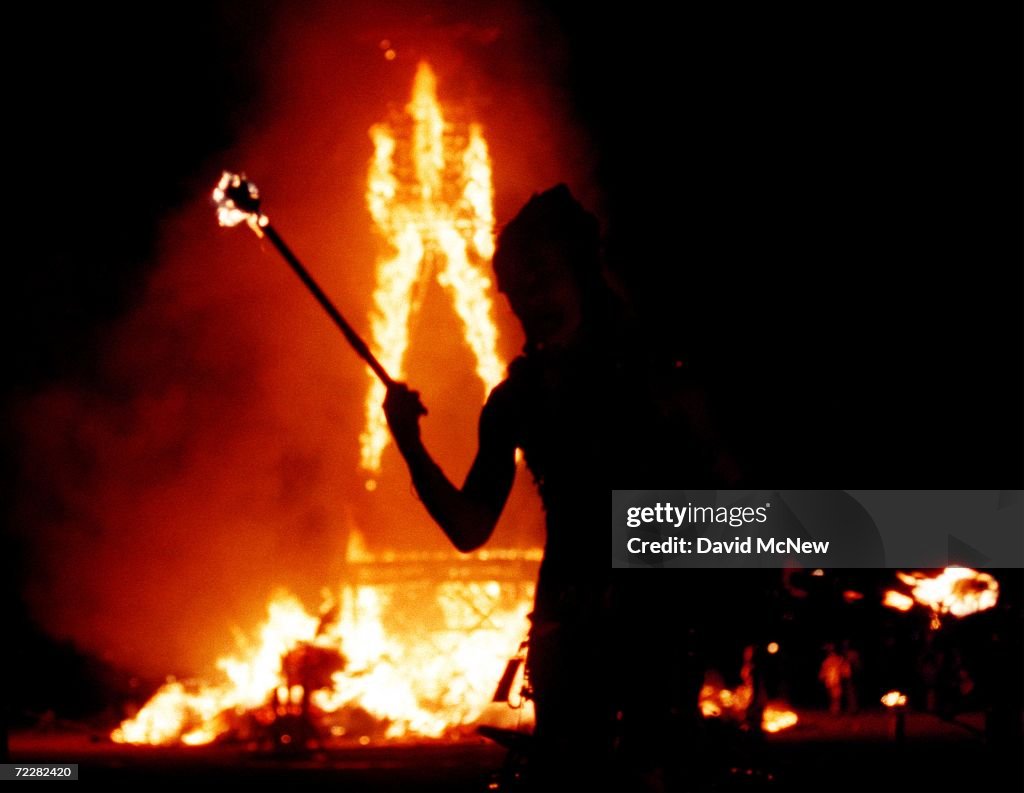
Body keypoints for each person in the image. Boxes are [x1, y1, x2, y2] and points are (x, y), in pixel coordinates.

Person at [383, 185, 734, 789]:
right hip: (567, 632)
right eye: (518, 285)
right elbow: (470, 528)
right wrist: (409, 445)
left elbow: (730, 496)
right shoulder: (514, 400)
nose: (531, 296)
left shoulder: (657, 379)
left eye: (543, 275)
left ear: (581, 273)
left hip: (657, 624)